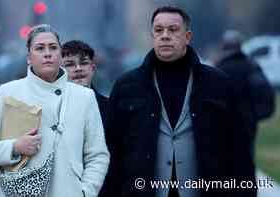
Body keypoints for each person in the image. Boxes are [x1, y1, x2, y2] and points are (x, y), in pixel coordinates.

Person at [103, 6, 256, 197]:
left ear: (187, 36)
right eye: (159, 30)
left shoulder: (220, 85)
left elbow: (240, 152)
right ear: (152, 36)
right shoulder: (126, 87)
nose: (165, 35)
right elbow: (110, 152)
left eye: (173, 29)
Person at [0, 24, 109, 197]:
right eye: (39, 48)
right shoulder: (9, 92)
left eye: (53, 47)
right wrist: (14, 146)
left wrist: (86, 192)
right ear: (29, 57)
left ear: (60, 55)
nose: (47, 53)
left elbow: (98, 155)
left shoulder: (84, 97)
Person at [216, 30, 275, 159]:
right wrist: (256, 115)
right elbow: (266, 94)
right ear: (240, 45)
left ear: (223, 46)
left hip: (222, 127)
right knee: (246, 162)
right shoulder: (251, 66)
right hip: (247, 125)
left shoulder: (218, 69)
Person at [62, 40, 108, 123]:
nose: (78, 68)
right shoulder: (53, 109)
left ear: (93, 68)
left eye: (84, 63)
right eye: (70, 64)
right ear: (60, 72)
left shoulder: (110, 107)